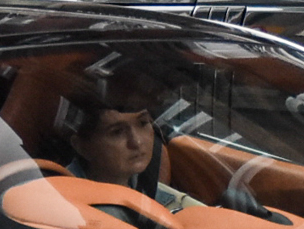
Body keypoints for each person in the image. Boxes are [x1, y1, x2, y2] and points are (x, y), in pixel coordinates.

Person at [60, 75, 202, 213]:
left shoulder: (148, 189)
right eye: (117, 132)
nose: (136, 141)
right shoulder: (65, 209)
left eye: (143, 123)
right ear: (82, 147)